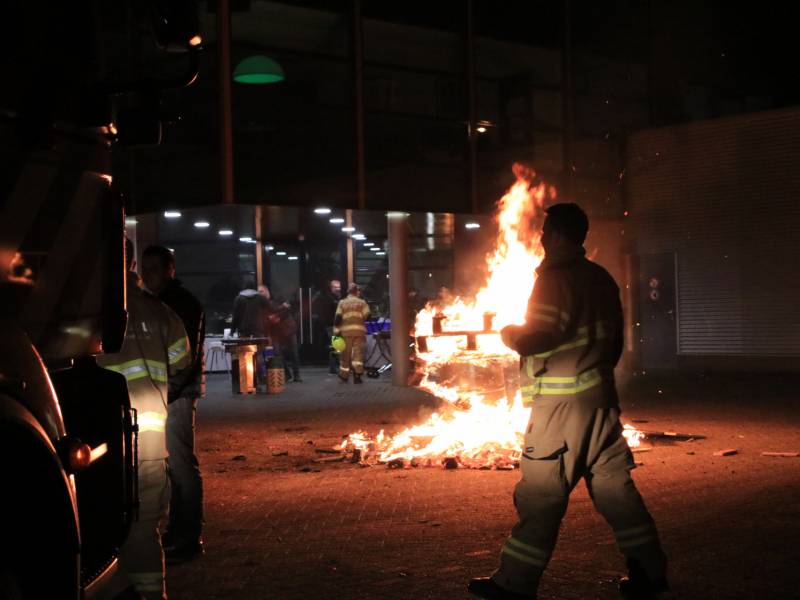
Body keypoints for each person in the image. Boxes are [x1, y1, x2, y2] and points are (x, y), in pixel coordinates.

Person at [468, 204, 670, 600]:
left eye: (546, 231)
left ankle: (514, 583)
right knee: (617, 493)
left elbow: (540, 335)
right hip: (600, 402)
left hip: (562, 407)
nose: (541, 238)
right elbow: (615, 343)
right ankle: (650, 573)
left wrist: (509, 333)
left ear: (558, 236)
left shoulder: (554, 280)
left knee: (541, 493)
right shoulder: (600, 278)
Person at [97, 239, 192, 600]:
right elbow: (182, 361)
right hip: (150, 443)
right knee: (144, 528)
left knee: (101, 529)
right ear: (133, 262)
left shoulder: (80, 309)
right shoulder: (160, 313)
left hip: (101, 445)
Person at [141, 245, 206, 564]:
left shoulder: (180, 304)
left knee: (181, 465)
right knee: (173, 466)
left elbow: (185, 357)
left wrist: (170, 393)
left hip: (176, 397)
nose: (147, 273)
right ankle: (178, 531)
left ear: (171, 270)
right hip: (166, 394)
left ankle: (188, 536)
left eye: (154, 268)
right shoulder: (157, 303)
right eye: (145, 267)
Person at [260, 285, 302, 383]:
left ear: (267, 292)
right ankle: (287, 375)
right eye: (259, 292)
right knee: (278, 354)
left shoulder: (278, 298)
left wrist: (278, 317)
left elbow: (287, 309)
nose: (260, 294)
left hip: (288, 329)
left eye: (261, 291)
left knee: (293, 353)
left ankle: (297, 375)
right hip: (276, 333)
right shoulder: (262, 304)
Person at [333, 282, 370, 384]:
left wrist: (336, 332)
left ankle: (344, 376)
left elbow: (337, 318)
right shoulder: (362, 303)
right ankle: (357, 376)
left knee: (345, 355)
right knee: (358, 356)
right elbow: (368, 316)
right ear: (356, 291)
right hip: (359, 333)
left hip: (346, 333)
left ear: (348, 292)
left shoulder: (342, 302)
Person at [312, 279, 341, 374]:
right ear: (331, 288)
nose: (338, 289)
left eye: (339, 287)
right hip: (331, 325)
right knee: (336, 345)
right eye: (336, 287)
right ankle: (335, 367)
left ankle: (335, 367)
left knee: (335, 346)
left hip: (334, 324)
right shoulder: (330, 298)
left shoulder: (336, 297)